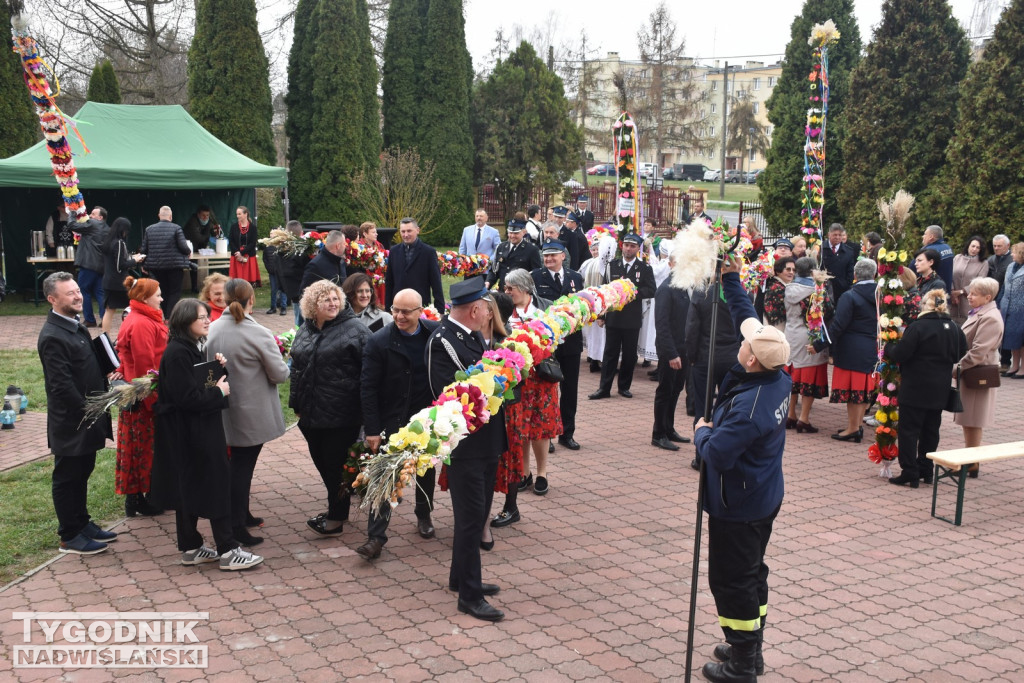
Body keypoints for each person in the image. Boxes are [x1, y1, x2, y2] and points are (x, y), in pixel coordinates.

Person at [694, 254, 791, 683]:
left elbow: (715, 454)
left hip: (741, 502)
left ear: (751, 360)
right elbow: (746, 315)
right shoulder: (776, 368)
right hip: (763, 492)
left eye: (745, 345)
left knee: (732, 581)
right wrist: (730, 277)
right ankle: (746, 641)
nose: (741, 341)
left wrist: (701, 431)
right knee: (752, 572)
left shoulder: (750, 410)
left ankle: (744, 662)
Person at [149, 299, 264, 570]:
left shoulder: (189, 348)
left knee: (189, 487)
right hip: (192, 433)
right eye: (200, 317)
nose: (206, 320)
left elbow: (194, 386)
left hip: (192, 432)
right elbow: (187, 398)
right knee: (215, 484)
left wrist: (215, 370)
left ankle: (191, 546)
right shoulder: (178, 352)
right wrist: (219, 391)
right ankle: (228, 549)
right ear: (184, 321)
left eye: (206, 316)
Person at [425, 277, 507, 622]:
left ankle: (460, 578)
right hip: (466, 447)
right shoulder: (443, 341)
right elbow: (444, 395)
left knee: (475, 515)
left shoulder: (470, 335)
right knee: (471, 519)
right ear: (475, 310)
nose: (488, 314)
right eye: (486, 309)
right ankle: (469, 596)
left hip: (486, 442)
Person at [355, 289, 440, 561]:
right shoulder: (379, 341)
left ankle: (424, 515)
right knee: (386, 476)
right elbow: (367, 387)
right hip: (392, 418)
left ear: (420, 311)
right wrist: (371, 428)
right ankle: (375, 538)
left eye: (406, 311)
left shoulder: (434, 334)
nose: (399, 316)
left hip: (426, 417)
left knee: (425, 469)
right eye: (395, 310)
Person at [37, 272, 117, 555]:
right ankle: (69, 534)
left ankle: (82, 522)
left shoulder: (75, 324)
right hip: (72, 420)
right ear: (52, 299)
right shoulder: (52, 336)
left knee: (84, 470)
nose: (78, 296)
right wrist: (89, 410)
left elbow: (88, 362)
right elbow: (60, 385)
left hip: (89, 415)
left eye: (77, 291)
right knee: (68, 475)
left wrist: (109, 362)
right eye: (69, 293)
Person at [207, 279, 290, 546]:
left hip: (221, 409)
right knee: (242, 470)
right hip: (251, 412)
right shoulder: (257, 332)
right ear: (251, 299)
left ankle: (242, 513)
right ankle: (236, 524)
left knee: (236, 466)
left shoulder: (213, 327)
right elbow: (279, 374)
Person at [289, 280, 371, 537]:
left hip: (342, 413)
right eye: (326, 300)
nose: (333, 303)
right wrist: (296, 404)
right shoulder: (306, 328)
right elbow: (297, 369)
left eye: (336, 299)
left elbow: (370, 372)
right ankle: (345, 499)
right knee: (323, 463)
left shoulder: (355, 329)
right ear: (313, 305)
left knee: (335, 466)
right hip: (311, 413)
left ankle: (336, 518)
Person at [886, 290, 966, 488]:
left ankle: (910, 471)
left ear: (925, 305)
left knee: (909, 430)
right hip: (939, 386)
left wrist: (888, 348)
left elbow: (901, 354)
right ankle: (926, 469)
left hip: (915, 385)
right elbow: (959, 353)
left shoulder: (918, 327)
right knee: (931, 429)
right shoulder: (954, 328)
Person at [505, 268, 563, 494]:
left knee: (541, 427)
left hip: (541, 377)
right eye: (506, 287)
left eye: (511, 288)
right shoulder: (503, 309)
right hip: (517, 378)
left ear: (525, 288)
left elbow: (558, 336)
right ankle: (524, 472)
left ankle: (542, 473)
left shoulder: (546, 307)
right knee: (521, 427)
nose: (507, 292)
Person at [115, 277, 167, 518]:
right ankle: (140, 499)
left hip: (140, 396)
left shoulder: (142, 317)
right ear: (145, 298)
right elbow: (145, 366)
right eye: (158, 295)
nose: (161, 298)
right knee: (141, 450)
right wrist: (153, 401)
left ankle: (140, 498)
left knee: (138, 449)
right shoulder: (142, 323)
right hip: (143, 399)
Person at [811, 259, 878, 441]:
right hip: (871, 346)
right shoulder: (882, 295)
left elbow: (838, 326)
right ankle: (854, 426)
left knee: (853, 393)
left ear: (855, 275)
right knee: (862, 392)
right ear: (874, 275)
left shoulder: (850, 296)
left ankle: (853, 428)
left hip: (851, 347)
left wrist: (818, 345)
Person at [590, 233, 656, 400]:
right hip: (613, 317)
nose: (628, 248)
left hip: (632, 319)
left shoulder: (644, 268)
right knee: (609, 354)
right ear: (622, 246)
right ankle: (604, 388)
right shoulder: (613, 266)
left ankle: (624, 387)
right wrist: (602, 315)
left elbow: (651, 289)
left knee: (629, 355)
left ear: (637, 248)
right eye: (626, 245)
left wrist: (633, 293)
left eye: (632, 246)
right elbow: (604, 291)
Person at [531, 243, 584, 451]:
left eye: (553, 255)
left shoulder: (576, 277)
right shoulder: (535, 277)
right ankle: (547, 435)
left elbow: (582, 306)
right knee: (547, 390)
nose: (549, 259)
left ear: (563, 255)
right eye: (546, 256)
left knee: (570, 389)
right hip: (546, 343)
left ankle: (567, 433)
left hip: (571, 341)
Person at [953, 277, 1004, 477]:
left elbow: (978, 352)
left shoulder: (990, 317)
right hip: (972, 372)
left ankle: (972, 463)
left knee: (973, 419)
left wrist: (956, 368)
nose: (969, 296)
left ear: (987, 297)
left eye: (974, 294)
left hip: (978, 374)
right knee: (969, 419)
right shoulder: (981, 312)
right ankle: (970, 460)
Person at [650, 249, 692, 451]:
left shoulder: (683, 287)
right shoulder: (666, 289)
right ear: (672, 264)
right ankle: (658, 433)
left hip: (683, 348)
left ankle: (669, 427)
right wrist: (672, 353)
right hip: (670, 349)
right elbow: (662, 324)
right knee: (665, 390)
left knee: (676, 389)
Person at [786, 257, 831, 433]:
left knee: (792, 376)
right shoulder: (817, 290)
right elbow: (828, 311)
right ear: (813, 271)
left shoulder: (788, 288)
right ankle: (803, 418)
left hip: (791, 333)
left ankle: (791, 414)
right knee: (808, 377)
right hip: (809, 336)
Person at [140, 206, 191, 317]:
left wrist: (143, 264)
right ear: (170, 216)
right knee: (175, 292)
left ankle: (165, 315)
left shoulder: (149, 229)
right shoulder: (176, 228)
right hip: (174, 266)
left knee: (162, 291)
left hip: (156, 267)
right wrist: (188, 251)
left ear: (159, 216)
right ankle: (170, 317)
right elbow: (183, 246)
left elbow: (144, 249)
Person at [385, 218, 445, 310]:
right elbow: (389, 281)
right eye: (403, 231)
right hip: (398, 306)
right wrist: (388, 307)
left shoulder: (428, 252)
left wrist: (440, 309)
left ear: (417, 230)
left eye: (409, 231)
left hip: (420, 306)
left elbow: (436, 282)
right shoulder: (394, 251)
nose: (406, 235)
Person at [100, 217, 145, 334]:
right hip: (120, 283)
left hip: (108, 281)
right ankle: (128, 335)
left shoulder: (107, 241)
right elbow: (121, 265)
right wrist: (136, 260)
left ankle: (106, 337)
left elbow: (115, 261)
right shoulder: (119, 243)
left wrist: (131, 258)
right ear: (123, 230)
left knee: (109, 311)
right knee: (131, 309)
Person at [75, 206, 109, 327]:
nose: (90, 216)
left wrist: (72, 213)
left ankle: (89, 319)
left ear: (100, 217)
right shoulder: (108, 229)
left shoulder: (93, 225)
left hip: (89, 265)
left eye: (93, 214)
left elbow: (72, 226)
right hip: (102, 266)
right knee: (100, 292)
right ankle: (104, 318)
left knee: (84, 291)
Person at [485, 219, 541, 290]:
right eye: (510, 233)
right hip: (503, 292)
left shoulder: (532, 249)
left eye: (516, 233)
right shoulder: (501, 247)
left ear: (523, 232)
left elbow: (536, 273)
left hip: (521, 292)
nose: (512, 236)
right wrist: (488, 281)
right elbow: (494, 270)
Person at [950, 235, 990, 326]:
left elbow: (979, 282)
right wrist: (952, 292)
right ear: (968, 246)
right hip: (952, 302)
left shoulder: (983, 263)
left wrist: (961, 292)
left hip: (968, 301)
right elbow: (950, 275)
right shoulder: (957, 258)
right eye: (973, 246)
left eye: (978, 247)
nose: (974, 249)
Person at [277, 220, 309, 326]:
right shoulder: (301, 250)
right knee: (303, 321)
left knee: (298, 318)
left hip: (290, 289)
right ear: (301, 233)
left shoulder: (281, 249)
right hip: (302, 289)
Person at [1000, 242, 1024, 377]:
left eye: (1014, 252)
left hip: (1021, 309)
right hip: (1007, 307)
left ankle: (1023, 368)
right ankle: (1014, 365)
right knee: (1011, 338)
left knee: (1022, 341)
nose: (1012, 254)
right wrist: (999, 302)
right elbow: (1004, 286)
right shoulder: (1010, 266)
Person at [182, 205, 220, 293]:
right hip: (189, 247)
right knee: (193, 266)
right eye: (203, 215)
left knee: (196, 266)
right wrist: (208, 236)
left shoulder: (209, 221)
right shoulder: (192, 221)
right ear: (198, 214)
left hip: (200, 248)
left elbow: (215, 234)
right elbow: (198, 238)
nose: (205, 217)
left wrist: (216, 231)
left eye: (207, 215)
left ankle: (198, 287)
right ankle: (194, 287)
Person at [300, 229, 347, 295]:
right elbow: (305, 293)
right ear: (338, 246)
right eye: (344, 244)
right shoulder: (315, 265)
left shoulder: (341, 262)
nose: (346, 246)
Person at [820, 223, 857, 303]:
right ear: (829, 234)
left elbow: (850, 272)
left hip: (842, 289)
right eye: (835, 235)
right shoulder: (821, 249)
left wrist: (846, 285)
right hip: (824, 289)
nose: (837, 237)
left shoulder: (848, 251)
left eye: (840, 235)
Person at [228, 206, 260, 286]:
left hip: (248, 255)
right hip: (236, 256)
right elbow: (231, 241)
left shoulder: (253, 228)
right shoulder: (234, 227)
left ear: (246, 214)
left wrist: (242, 252)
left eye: (239, 214)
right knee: (236, 281)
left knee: (248, 281)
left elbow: (253, 243)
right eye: (237, 214)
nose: (237, 216)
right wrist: (237, 253)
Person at [357, 221, 388, 304]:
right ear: (365, 234)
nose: (376, 234)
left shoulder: (379, 245)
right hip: (366, 280)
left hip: (380, 280)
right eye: (373, 232)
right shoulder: (359, 247)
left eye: (376, 232)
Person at [920, 224, 954, 294]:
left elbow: (913, 268)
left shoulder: (929, 251)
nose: (923, 236)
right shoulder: (947, 247)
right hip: (946, 293)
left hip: (931, 293)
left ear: (931, 237)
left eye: (925, 234)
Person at [762, 257, 795, 330]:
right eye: (788, 269)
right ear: (778, 271)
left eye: (794, 270)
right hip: (777, 329)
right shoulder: (777, 288)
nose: (791, 272)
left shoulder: (779, 285)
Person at [261, 240, 289, 316]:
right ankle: (273, 307)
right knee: (273, 289)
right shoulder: (267, 247)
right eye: (271, 234)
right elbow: (265, 258)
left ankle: (283, 307)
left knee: (282, 289)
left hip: (281, 272)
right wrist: (269, 268)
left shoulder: (283, 246)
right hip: (272, 272)